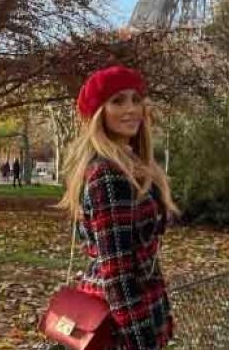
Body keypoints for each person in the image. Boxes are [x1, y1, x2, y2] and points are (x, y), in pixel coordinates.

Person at [57, 65, 179, 350]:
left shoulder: (133, 166)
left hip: (135, 313)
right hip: (121, 326)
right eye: (117, 101)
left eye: (136, 100)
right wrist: (142, 341)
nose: (131, 109)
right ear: (99, 113)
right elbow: (118, 272)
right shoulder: (108, 175)